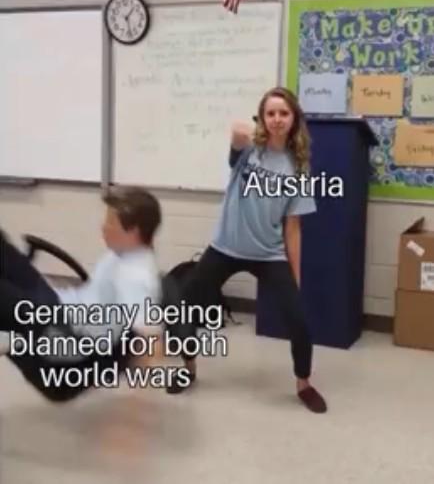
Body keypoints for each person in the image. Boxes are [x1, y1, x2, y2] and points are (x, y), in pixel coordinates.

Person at [167, 86, 327, 414]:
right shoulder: (247, 151)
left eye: (284, 113)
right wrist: (260, 134)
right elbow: (237, 132)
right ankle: (188, 368)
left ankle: (304, 384)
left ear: (295, 118)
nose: (278, 119)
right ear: (262, 117)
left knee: (298, 319)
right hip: (225, 247)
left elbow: (293, 227)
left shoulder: (298, 167)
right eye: (271, 113)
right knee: (185, 307)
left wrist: (295, 276)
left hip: (269, 253)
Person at [0, 186, 165, 402]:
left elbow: (151, 340)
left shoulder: (137, 276)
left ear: (132, 231)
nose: (103, 227)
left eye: (110, 222)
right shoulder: (122, 254)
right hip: (57, 307)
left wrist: (135, 408)